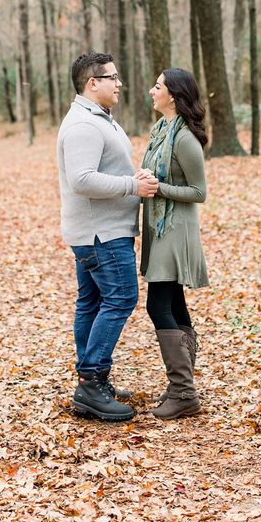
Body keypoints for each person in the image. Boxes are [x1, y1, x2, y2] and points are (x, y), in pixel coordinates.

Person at [57, 51, 159, 422]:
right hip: (101, 233)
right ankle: (90, 382)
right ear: (92, 83)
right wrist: (133, 186)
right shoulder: (84, 124)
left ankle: (92, 379)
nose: (119, 83)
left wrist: (134, 176)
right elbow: (81, 179)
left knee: (92, 301)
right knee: (120, 298)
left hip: (99, 230)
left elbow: (102, 169)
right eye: (112, 77)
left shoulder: (97, 119)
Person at [136, 68, 209, 419]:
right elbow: (155, 173)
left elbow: (199, 192)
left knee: (158, 306)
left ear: (175, 96)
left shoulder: (184, 139)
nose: (152, 91)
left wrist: (158, 188)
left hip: (176, 230)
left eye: (158, 86)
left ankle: (183, 391)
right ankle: (182, 387)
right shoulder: (161, 131)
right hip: (160, 225)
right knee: (174, 304)